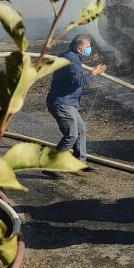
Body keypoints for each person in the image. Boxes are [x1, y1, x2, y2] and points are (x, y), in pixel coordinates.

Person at [45, 34, 106, 177]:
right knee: (71, 135)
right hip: (62, 103)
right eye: (87, 46)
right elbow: (79, 81)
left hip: (68, 103)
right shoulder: (72, 60)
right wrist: (94, 72)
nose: (89, 49)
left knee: (81, 130)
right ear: (79, 48)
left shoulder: (70, 56)